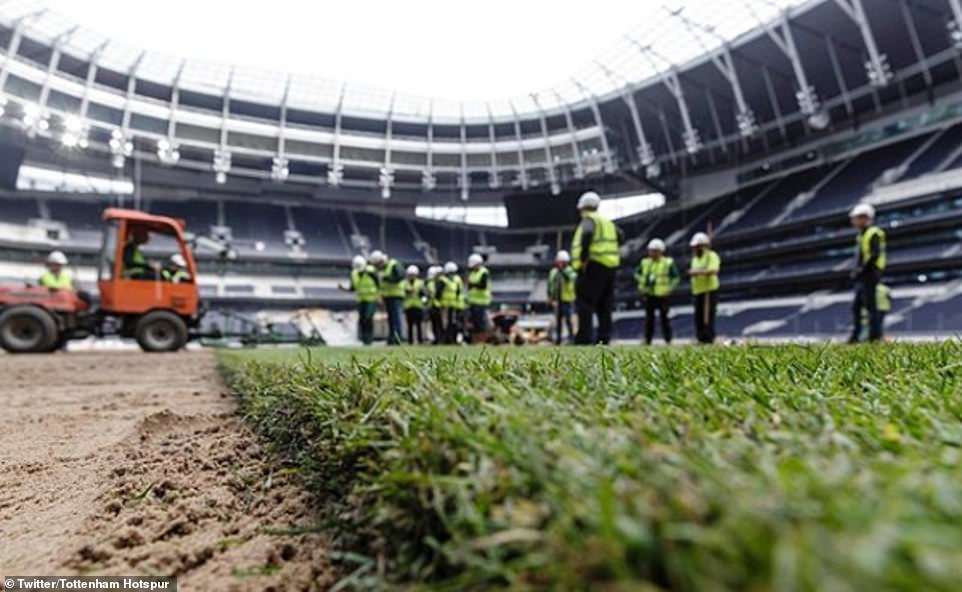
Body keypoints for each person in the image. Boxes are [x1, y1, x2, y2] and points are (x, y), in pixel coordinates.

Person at [571, 191, 622, 345]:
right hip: (610, 266)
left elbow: (587, 234)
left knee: (584, 303)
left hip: (593, 265)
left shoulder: (589, 220)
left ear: (582, 207)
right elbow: (621, 236)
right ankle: (603, 339)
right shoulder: (607, 222)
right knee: (604, 305)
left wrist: (584, 260)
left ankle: (584, 339)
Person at [848, 203, 886, 343]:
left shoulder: (874, 233)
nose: (853, 221)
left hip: (870, 274)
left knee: (870, 307)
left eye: (856, 218)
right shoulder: (861, 235)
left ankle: (875, 337)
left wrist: (860, 269)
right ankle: (856, 337)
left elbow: (874, 255)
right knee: (857, 307)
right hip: (863, 275)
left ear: (865, 218)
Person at [635, 238, 679, 345]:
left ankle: (668, 339)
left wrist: (669, 289)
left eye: (655, 251)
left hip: (663, 295)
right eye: (651, 250)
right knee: (649, 319)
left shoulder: (668, 262)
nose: (652, 253)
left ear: (661, 251)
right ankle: (648, 340)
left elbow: (676, 278)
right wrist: (642, 284)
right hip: (649, 294)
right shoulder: (644, 262)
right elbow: (637, 274)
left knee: (665, 319)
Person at [688, 232, 721, 344]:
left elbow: (714, 270)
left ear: (703, 246)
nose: (695, 249)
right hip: (698, 291)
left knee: (708, 315)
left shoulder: (712, 256)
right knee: (698, 316)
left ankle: (709, 338)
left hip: (709, 290)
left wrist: (698, 272)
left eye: (697, 247)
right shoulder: (695, 259)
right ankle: (700, 338)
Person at [339, 255, 379, 345]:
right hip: (361, 300)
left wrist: (379, 296)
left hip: (371, 299)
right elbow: (353, 288)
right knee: (362, 320)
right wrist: (343, 289)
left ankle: (369, 339)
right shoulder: (354, 273)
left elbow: (378, 284)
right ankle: (364, 340)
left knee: (368, 318)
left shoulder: (371, 271)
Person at [370, 250, 405, 346]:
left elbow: (400, 276)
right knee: (391, 319)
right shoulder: (382, 270)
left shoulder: (394, 264)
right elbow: (382, 285)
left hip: (396, 295)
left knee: (396, 318)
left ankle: (397, 338)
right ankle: (391, 338)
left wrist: (386, 278)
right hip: (387, 296)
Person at [547, 250, 577, 345]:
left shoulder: (570, 271)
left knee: (568, 320)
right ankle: (558, 339)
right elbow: (550, 285)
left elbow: (571, 279)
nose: (561, 264)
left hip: (567, 300)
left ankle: (571, 338)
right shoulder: (553, 272)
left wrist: (562, 271)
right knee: (558, 321)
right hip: (557, 300)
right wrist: (550, 297)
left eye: (562, 262)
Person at [466, 253, 492, 343]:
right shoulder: (472, 273)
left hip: (481, 302)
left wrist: (472, 285)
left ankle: (482, 340)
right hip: (473, 302)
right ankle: (475, 340)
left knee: (481, 322)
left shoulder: (484, 272)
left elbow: (482, 285)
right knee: (475, 322)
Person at [438, 261, 463, 344]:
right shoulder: (443, 280)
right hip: (445, 305)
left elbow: (459, 292)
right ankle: (445, 339)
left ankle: (452, 339)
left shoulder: (456, 279)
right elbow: (438, 293)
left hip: (453, 305)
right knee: (445, 324)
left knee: (452, 323)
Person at [403, 265, 426, 345]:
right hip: (408, 306)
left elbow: (423, 294)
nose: (411, 276)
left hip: (418, 306)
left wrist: (423, 299)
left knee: (419, 325)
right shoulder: (405, 283)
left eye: (413, 274)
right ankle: (410, 341)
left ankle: (420, 340)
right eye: (410, 274)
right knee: (409, 325)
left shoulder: (420, 283)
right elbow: (403, 293)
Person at [425, 265, 444, 344]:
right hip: (434, 305)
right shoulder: (433, 283)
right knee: (436, 324)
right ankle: (438, 339)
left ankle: (439, 339)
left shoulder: (436, 283)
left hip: (436, 305)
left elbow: (433, 294)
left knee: (438, 324)